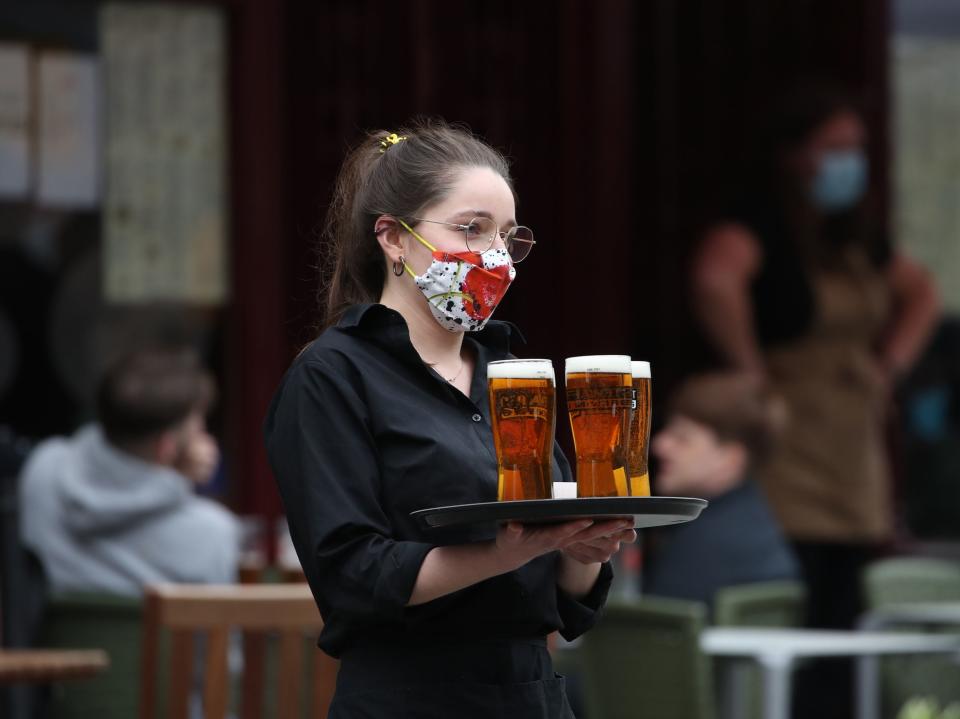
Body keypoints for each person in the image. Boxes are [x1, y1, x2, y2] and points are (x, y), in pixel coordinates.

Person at [263, 120, 635, 719]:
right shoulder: (333, 376)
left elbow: (567, 606)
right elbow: (351, 577)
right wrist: (503, 554)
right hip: (409, 696)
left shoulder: (511, 370)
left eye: (508, 238)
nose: (494, 255)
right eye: (471, 229)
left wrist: (584, 549)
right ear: (393, 238)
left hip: (532, 694)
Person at [691, 84, 941, 717]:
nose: (847, 162)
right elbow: (715, 279)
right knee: (796, 593)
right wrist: (750, 368)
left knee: (848, 600)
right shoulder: (757, 228)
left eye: (856, 148)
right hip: (790, 448)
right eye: (834, 148)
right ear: (793, 154)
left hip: (853, 442)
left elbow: (924, 293)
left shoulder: (856, 236)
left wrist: (891, 365)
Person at [19, 346, 239, 596]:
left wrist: (171, 478)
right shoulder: (211, 532)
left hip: (53, 636)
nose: (204, 434)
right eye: (198, 424)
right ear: (166, 447)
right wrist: (175, 481)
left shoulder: (43, 470)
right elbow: (218, 633)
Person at [643, 372, 799, 609]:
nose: (660, 445)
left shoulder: (705, 546)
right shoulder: (751, 523)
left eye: (682, 438)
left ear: (730, 458)